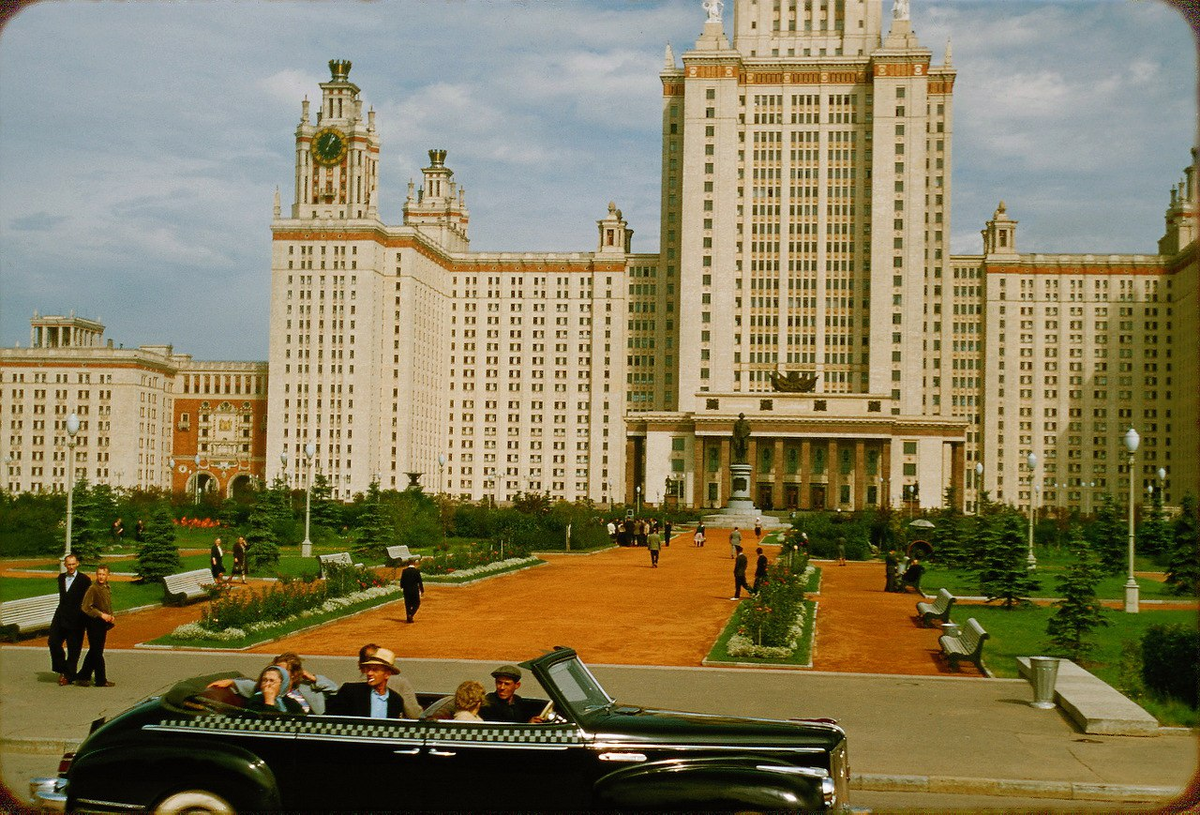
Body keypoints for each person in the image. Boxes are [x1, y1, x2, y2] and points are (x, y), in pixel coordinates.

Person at [207, 652, 338, 714]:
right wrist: (230, 681)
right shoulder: (264, 691)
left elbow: (334, 689)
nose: (277, 672)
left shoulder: (306, 688)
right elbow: (248, 684)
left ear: (292, 674)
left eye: (283, 670)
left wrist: (313, 678)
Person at [327, 645, 422, 719]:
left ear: (387, 674)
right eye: (368, 669)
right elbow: (328, 719)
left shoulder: (396, 700)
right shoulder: (350, 691)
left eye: (375, 670)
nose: (369, 673)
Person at [49, 554, 91, 686]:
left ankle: (68, 675)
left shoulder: (84, 580)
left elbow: (87, 599)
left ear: (77, 564)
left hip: (77, 619)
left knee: (74, 649)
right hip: (61, 616)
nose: (71, 567)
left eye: (73, 564)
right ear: (65, 565)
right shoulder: (61, 578)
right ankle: (62, 669)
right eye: (69, 564)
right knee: (53, 642)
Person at [76, 564, 116, 687]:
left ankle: (83, 676)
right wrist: (101, 615)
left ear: (108, 576)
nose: (101, 577)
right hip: (93, 622)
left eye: (103, 574)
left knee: (95, 650)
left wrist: (110, 615)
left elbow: (106, 605)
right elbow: (86, 607)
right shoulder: (93, 588)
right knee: (97, 652)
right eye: (99, 574)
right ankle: (101, 679)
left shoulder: (106, 587)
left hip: (102, 623)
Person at [400, 558, 424, 623]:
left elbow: (402, 580)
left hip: (406, 590)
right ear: (414, 564)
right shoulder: (416, 571)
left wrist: (402, 586)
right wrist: (422, 590)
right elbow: (420, 581)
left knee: (407, 603)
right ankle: (411, 614)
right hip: (414, 590)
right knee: (417, 603)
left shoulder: (404, 571)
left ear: (408, 564)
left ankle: (408, 617)